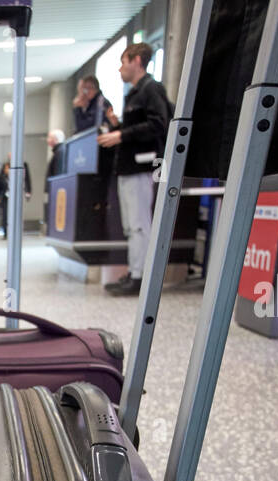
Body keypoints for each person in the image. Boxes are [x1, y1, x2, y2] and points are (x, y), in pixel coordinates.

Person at [97, 43, 170, 296]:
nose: (120, 68)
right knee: (131, 225)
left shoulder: (152, 89)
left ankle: (141, 277)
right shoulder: (136, 93)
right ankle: (134, 271)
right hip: (128, 167)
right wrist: (119, 126)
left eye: (123, 61)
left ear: (137, 60)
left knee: (140, 224)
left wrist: (121, 134)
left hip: (141, 166)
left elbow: (159, 124)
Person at [0, 156, 32, 240]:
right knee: (5, 216)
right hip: (5, 199)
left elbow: (27, 181)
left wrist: (28, 191)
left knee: (16, 215)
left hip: (15, 199)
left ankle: (16, 233)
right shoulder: (2, 177)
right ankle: (6, 233)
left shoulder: (18, 177)